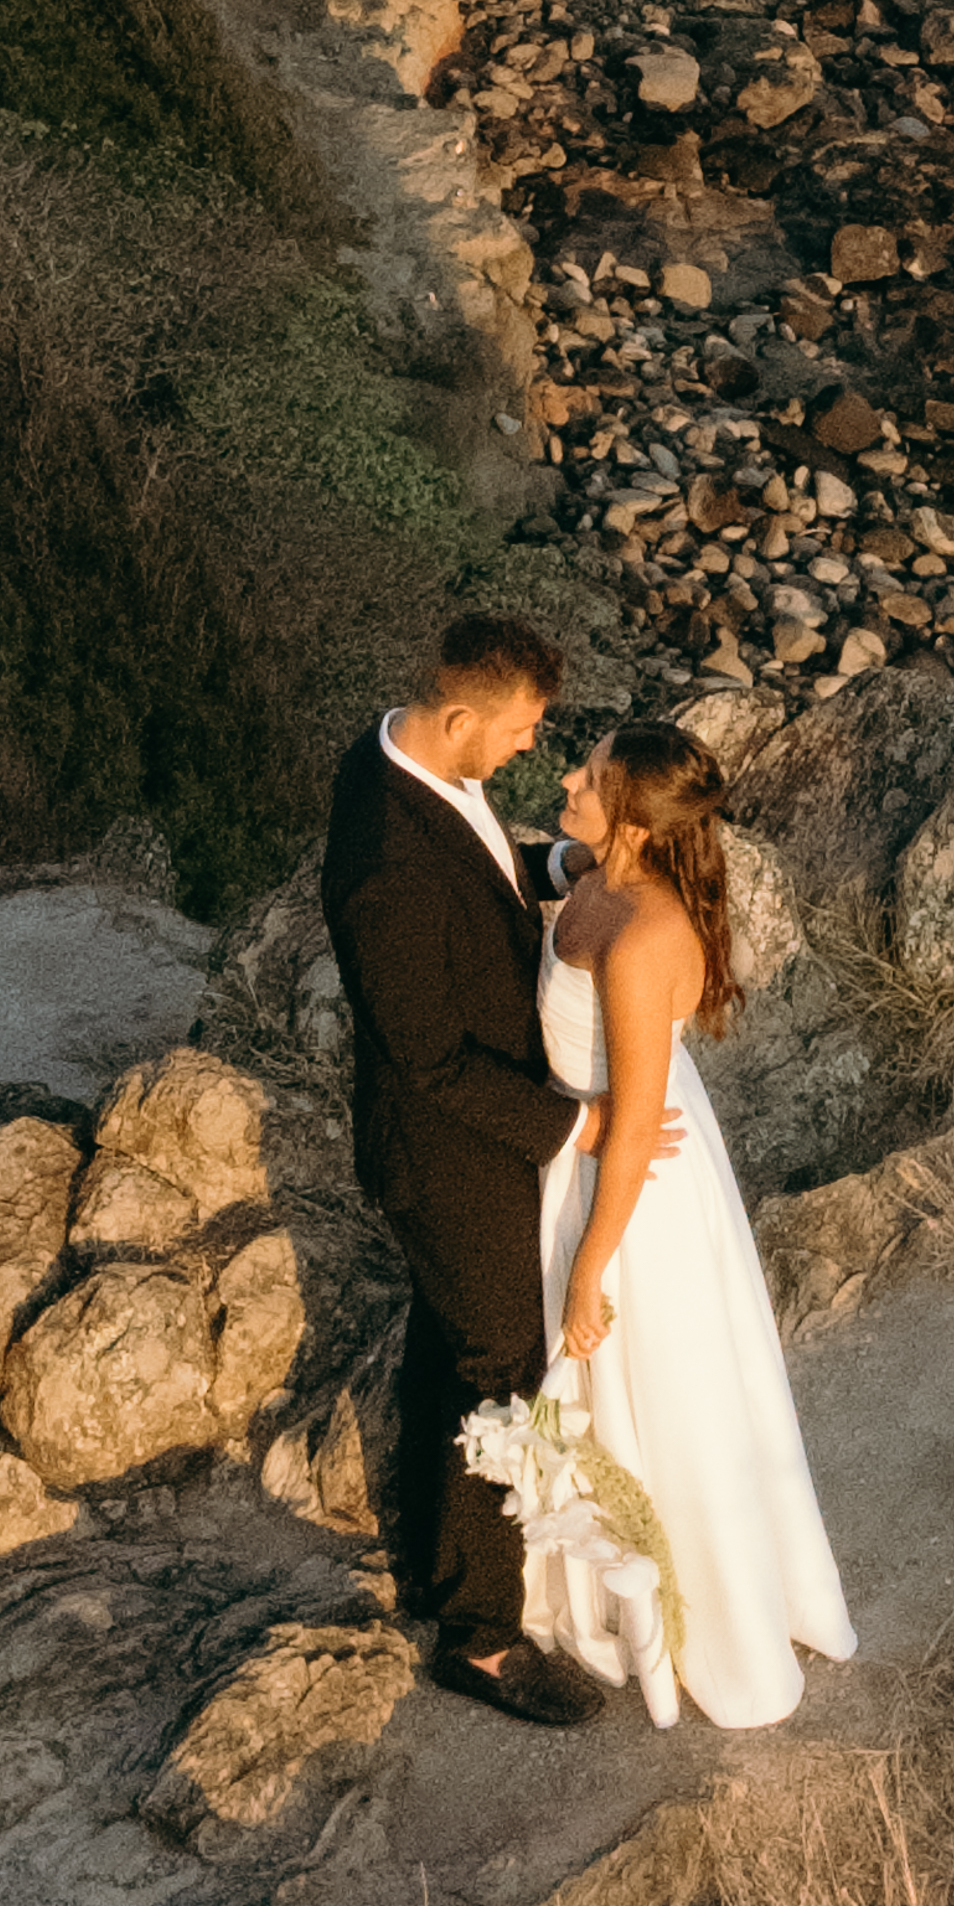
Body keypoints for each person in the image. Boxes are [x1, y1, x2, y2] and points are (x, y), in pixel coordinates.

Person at [489, 705, 859, 1735]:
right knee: (599, 1396)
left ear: (637, 824)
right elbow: (543, 862)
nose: (571, 775)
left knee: (658, 1391)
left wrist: (590, 1272)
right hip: (581, 1149)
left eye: (592, 774)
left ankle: (706, 1618)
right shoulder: (597, 877)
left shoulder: (649, 934)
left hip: (632, 1190)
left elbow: (637, 1125)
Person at [317, 626, 601, 1726]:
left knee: (452, 1340)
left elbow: (478, 879)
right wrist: (570, 1125)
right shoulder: (386, 864)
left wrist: (554, 867)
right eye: (525, 725)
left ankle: (432, 1550)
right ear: (463, 718)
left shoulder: (402, 753)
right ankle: (479, 1635)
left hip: (468, 1138)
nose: (537, 745)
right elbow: (427, 1058)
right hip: (444, 1151)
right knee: (502, 1359)